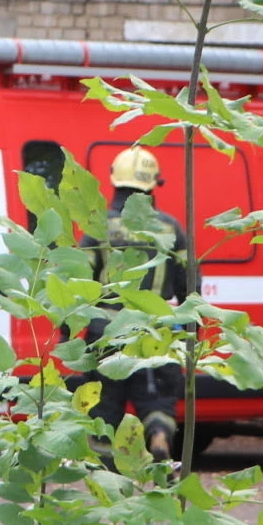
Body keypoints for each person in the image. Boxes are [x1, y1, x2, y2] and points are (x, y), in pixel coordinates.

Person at [80, 146, 190, 461]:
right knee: (156, 398)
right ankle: (158, 434)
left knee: (105, 407)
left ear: (115, 181)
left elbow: (77, 279)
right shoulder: (170, 228)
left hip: (107, 331)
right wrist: (190, 332)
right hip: (154, 331)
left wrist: (66, 330)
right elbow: (188, 287)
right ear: (153, 185)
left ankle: (105, 471)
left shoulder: (99, 226)